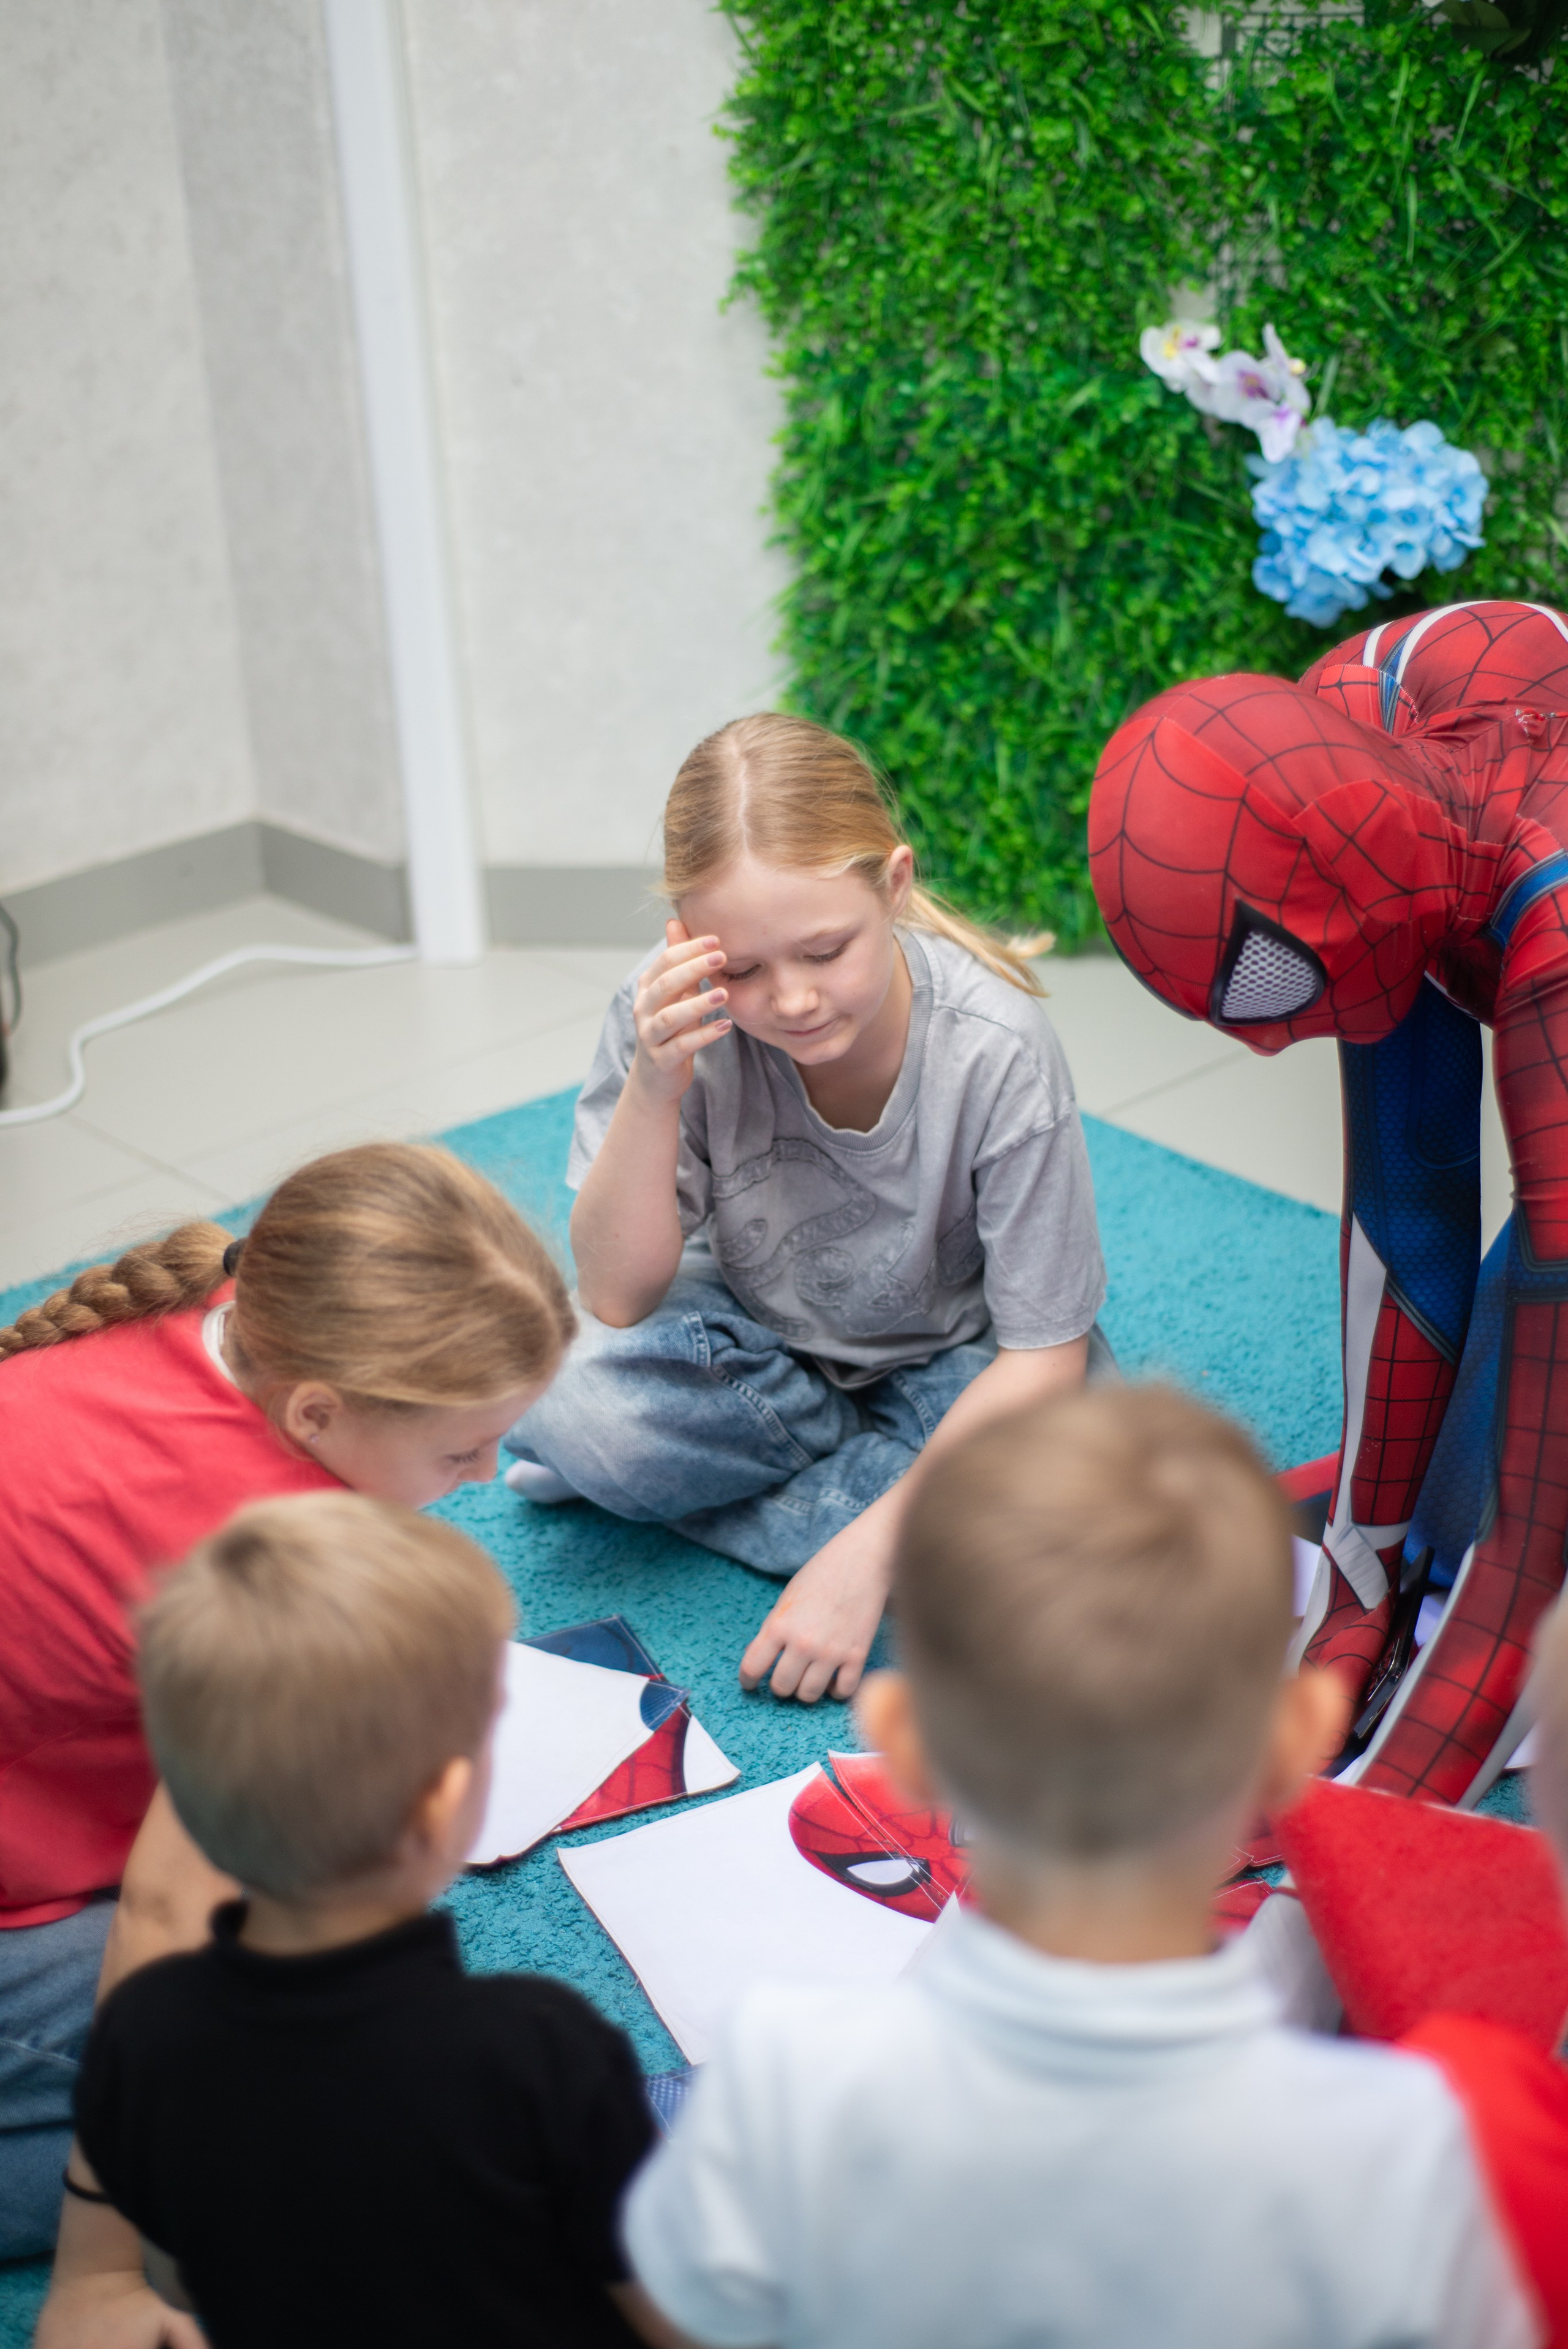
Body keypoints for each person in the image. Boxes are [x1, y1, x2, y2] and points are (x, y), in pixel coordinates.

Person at [625, 1384, 1536, 2349]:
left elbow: (682, 2318)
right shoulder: (1412, 2154)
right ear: (1298, 1740)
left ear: (906, 1740)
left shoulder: (781, 2072)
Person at [0, 1142, 575, 2258]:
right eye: (460, 1451)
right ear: (315, 1414)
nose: (491, 1473)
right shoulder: (249, 1546)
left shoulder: (243, 1295)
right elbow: (173, 1910)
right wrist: (106, 2254)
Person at [505, 712, 1107, 1704]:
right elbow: (614, 1295)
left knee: (1088, 1493)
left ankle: (725, 1497)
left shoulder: (995, 1047)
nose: (789, 1001)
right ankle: (902, 1513)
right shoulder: (665, 1017)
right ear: (687, 943)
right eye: (738, 968)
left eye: (827, 952)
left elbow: (1046, 1355)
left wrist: (859, 1561)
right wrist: (658, 1083)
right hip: (754, 1345)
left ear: (896, 889)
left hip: (959, 1367)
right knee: (561, 1385)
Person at [1087, 598, 1568, 1810]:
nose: (1255, 1050)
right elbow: (1411, 1203)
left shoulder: (1548, 934)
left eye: (1260, 987)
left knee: (1496, 1539)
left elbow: (1523, 1549)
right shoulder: (1353, 728)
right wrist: (1355, 1599)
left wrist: (1363, 1825)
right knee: (1422, 1522)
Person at [36, 1492, 671, 2349]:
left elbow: (116, 2231)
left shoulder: (144, 2026)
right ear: (446, 1802)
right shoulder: (542, 2046)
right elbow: (654, 2297)